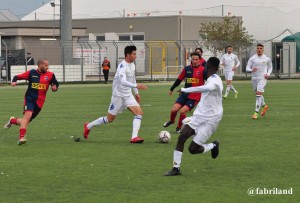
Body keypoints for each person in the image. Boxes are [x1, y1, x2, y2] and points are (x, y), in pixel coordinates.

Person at [164, 57, 223, 176]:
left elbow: (207, 88)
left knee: (193, 149)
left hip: (211, 119)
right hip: (199, 115)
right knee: (182, 137)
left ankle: (213, 145)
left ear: (210, 68)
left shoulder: (216, 81)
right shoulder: (210, 78)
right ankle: (176, 168)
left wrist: (186, 89)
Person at [83, 46, 147, 143]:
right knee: (110, 119)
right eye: (134, 54)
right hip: (118, 96)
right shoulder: (122, 66)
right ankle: (88, 126)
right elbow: (123, 81)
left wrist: (136, 93)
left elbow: (132, 78)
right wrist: (137, 86)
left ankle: (134, 137)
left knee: (139, 113)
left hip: (128, 95)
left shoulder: (132, 65)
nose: (136, 56)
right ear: (128, 55)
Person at [4, 58, 59, 145]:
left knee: (25, 121)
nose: (48, 67)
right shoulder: (31, 73)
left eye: (48, 65)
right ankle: (21, 138)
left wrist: (54, 88)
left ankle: (12, 121)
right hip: (29, 98)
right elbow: (17, 77)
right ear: (40, 65)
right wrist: (14, 81)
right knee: (27, 115)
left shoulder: (51, 75)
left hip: (40, 102)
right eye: (46, 65)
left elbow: (55, 83)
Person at [163, 52, 206, 133]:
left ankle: (179, 127)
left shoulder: (203, 70)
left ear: (199, 60)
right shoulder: (187, 69)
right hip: (185, 94)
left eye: (196, 59)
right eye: (193, 59)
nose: (195, 61)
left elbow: (208, 82)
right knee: (174, 110)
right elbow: (179, 79)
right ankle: (172, 121)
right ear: (191, 59)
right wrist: (172, 89)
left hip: (195, 96)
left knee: (182, 111)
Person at [246, 43, 272, 120]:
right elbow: (247, 68)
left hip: (262, 78)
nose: (259, 50)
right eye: (258, 48)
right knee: (258, 94)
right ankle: (264, 106)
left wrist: (268, 74)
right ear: (256, 49)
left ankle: (256, 113)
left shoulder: (267, 58)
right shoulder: (252, 58)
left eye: (261, 48)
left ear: (263, 49)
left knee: (258, 94)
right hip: (254, 78)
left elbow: (270, 67)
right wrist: (251, 70)